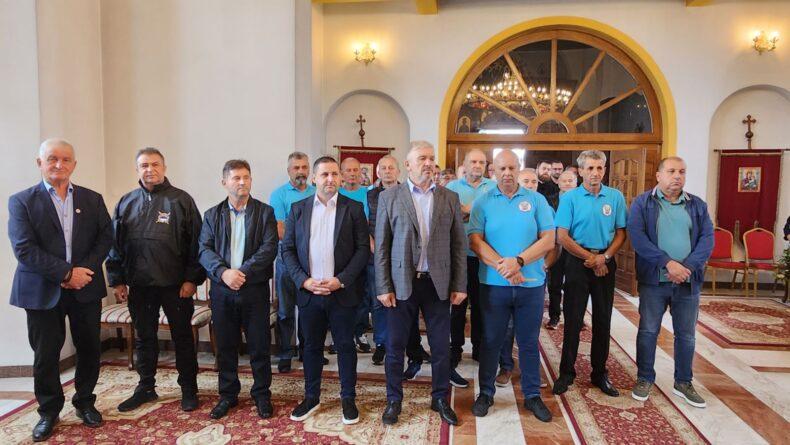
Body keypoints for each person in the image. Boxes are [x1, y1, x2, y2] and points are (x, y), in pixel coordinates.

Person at [8, 139, 113, 442]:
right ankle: (49, 411)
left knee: (90, 348)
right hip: (42, 289)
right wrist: (66, 274)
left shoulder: (92, 199)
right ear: (39, 163)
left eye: (66, 159)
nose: (59, 164)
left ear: (74, 165)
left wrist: (82, 273)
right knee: (46, 354)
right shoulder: (22, 201)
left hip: (85, 287)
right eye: (52, 158)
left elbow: (105, 238)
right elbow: (24, 248)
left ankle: (85, 402)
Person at [375, 141, 467, 426]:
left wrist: (460, 284)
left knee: (440, 346)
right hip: (402, 283)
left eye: (431, 158)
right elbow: (382, 247)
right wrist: (383, 287)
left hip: (437, 284)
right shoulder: (389, 197)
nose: (428, 163)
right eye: (422, 158)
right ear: (408, 165)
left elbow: (458, 246)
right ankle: (394, 400)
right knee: (395, 346)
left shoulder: (449, 198)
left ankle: (439, 398)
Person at [107, 147, 206, 412]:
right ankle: (146, 388)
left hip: (176, 286)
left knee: (182, 337)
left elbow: (197, 244)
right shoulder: (126, 202)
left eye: (155, 164)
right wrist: (117, 280)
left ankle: (189, 388)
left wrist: (192, 280)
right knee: (144, 338)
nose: (149, 169)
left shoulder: (181, 201)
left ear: (164, 168)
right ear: (137, 170)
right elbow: (114, 245)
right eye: (144, 165)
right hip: (140, 285)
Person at [469, 150, 555, 422]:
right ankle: (486, 393)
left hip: (531, 285)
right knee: (491, 341)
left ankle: (532, 395)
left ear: (519, 168)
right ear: (493, 171)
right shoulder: (483, 202)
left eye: (511, 168)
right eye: (501, 168)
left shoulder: (537, 200)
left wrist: (519, 262)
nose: (507, 173)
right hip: (494, 285)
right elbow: (475, 242)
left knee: (529, 342)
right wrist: (504, 268)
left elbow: (549, 239)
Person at [282, 156, 369, 425]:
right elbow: (288, 249)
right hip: (310, 293)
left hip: (341, 292)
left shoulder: (354, 209)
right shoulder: (298, 209)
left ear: (340, 177)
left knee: (345, 346)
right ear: (314, 179)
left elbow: (362, 250)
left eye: (334, 174)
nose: (330, 179)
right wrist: (303, 281)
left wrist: (341, 280)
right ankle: (311, 397)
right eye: (324, 175)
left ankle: (348, 399)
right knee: (311, 347)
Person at [627, 156, 714, 407]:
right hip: (654, 281)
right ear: (658, 175)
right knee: (648, 331)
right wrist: (668, 263)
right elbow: (638, 238)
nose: (677, 176)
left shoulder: (697, 205)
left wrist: (687, 268)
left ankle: (683, 382)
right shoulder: (643, 203)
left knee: (686, 335)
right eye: (672, 171)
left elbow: (707, 239)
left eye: (682, 172)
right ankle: (644, 378)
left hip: (687, 281)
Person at [198, 160, 279, 419]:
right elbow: (204, 249)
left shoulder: (265, 213)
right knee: (226, 346)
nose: (242, 182)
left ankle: (262, 395)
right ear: (224, 183)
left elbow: (269, 248)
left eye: (246, 177)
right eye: (236, 178)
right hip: (222, 291)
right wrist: (224, 273)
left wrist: (241, 272)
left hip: (254, 289)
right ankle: (228, 395)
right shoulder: (212, 215)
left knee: (259, 345)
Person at [552, 150, 627, 398]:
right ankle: (566, 372)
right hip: (577, 263)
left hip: (605, 262)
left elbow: (621, 233)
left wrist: (604, 258)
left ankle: (599, 373)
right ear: (581, 171)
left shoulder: (615, 197)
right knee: (573, 319)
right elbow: (562, 236)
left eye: (599, 168)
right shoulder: (570, 198)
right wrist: (591, 259)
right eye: (590, 168)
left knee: (603, 320)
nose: (595, 173)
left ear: (604, 170)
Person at [445, 149, 497, 388]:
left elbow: (491, 218)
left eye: (481, 162)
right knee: (457, 305)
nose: (477, 165)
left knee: (481, 305)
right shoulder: (451, 187)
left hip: (485, 256)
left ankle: (478, 348)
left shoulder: (493, 187)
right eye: (473, 161)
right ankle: (455, 349)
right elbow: (449, 216)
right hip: (458, 256)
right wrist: (469, 212)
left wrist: (467, 210)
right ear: (464, 164)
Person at [269, 152, 317, 373]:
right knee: (286, 311)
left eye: (304, 167)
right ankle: (286, 354)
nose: (300, 171)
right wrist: (306, 238)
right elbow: (280, 230)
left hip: (311, 261)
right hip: (287, 259)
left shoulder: (316, 192)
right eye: (296, 168)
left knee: (309, 310)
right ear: (289, 171)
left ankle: (308, 352)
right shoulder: (279, 195)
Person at [339, 156, 371, 354]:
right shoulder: (336, 193)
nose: (352, 174)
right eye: (348, 170)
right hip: (341, 252)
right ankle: (341, 335)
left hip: (362, 250)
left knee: (362, 294)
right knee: (341, 294)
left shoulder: (368, 194)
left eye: (355, 170)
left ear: (361, 173)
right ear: (342, 174)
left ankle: (359, 332)